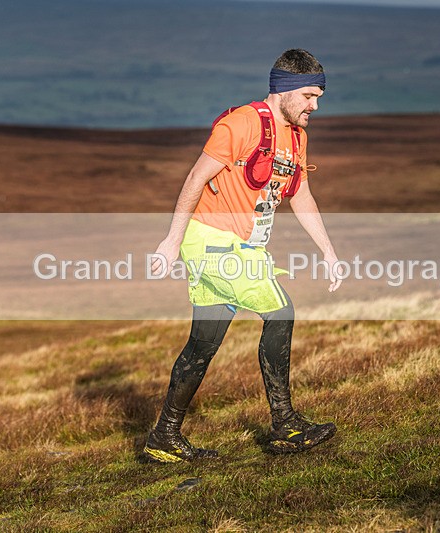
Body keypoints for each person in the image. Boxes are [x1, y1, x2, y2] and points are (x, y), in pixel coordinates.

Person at [145, 49, 342, 463]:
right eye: (308, 96)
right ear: (284, 90)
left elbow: (299, 194)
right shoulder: (241, 124)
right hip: (213, 243)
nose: (315, 106)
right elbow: (196, 179)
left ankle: (164, 436)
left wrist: (328, 251)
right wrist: (170, 240)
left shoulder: (298, 137)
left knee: (203, 344)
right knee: (280, 312)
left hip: (241, 247)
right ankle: (285, 425)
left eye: (318, 96)